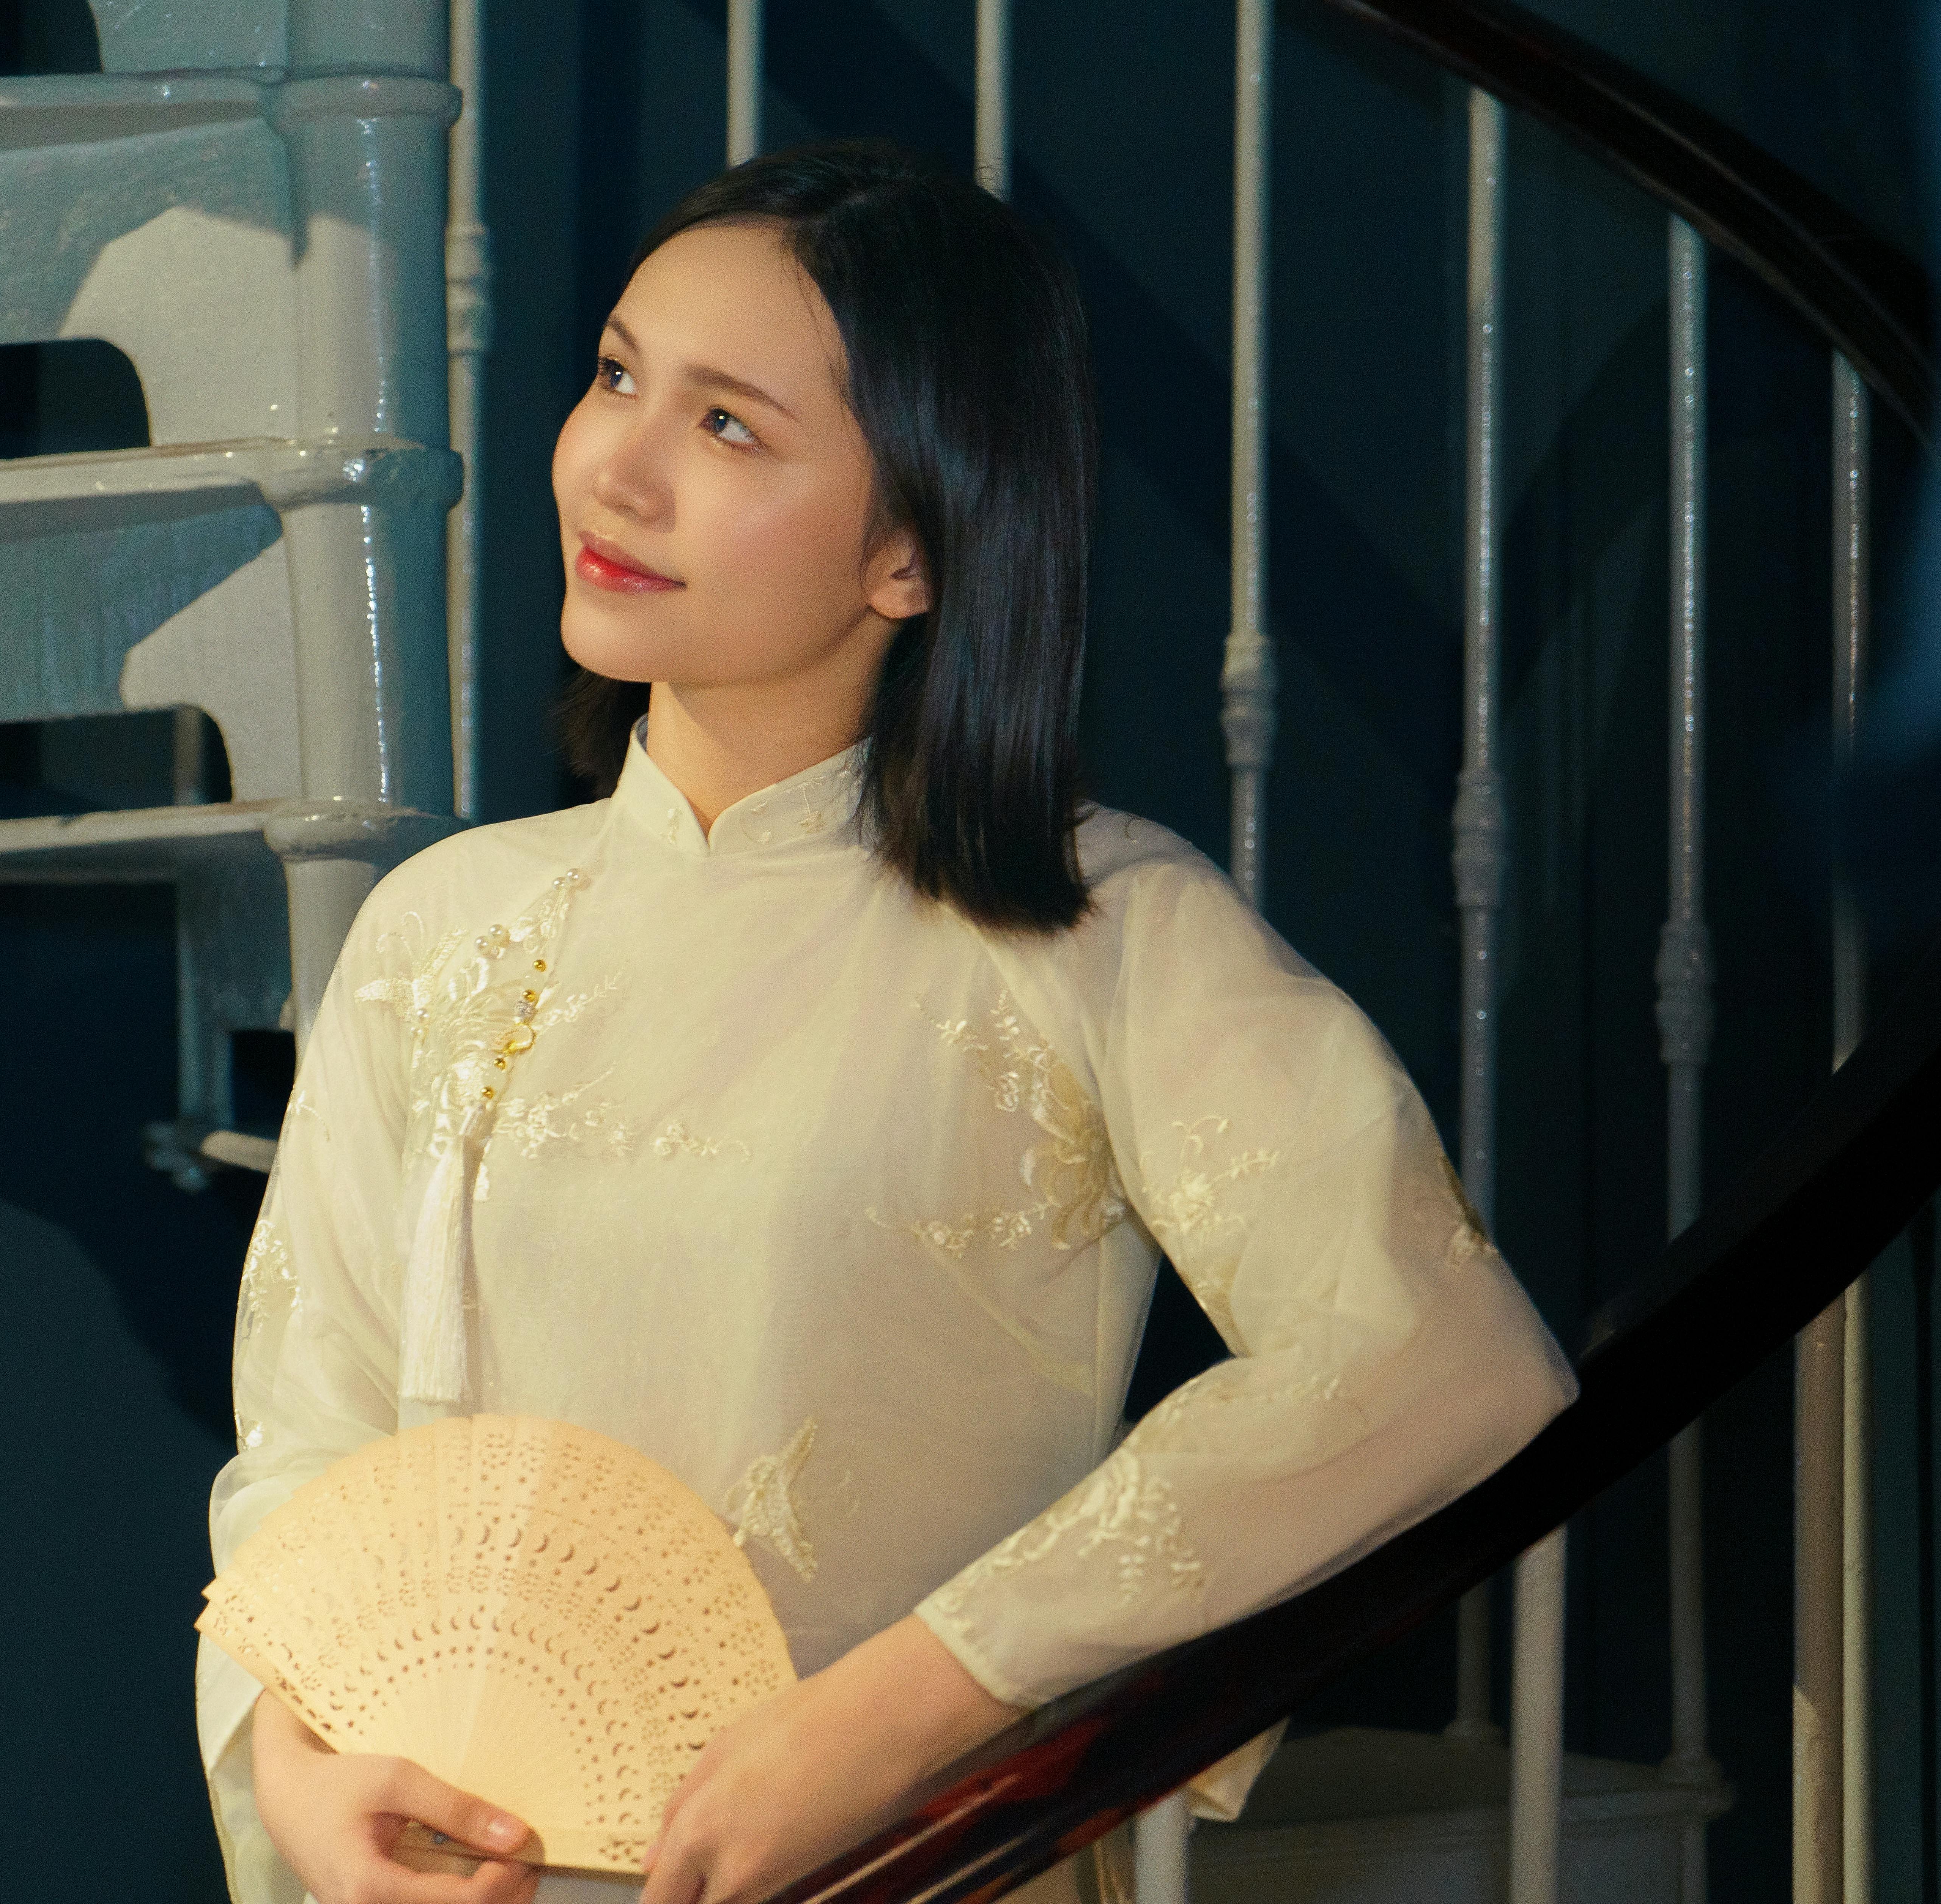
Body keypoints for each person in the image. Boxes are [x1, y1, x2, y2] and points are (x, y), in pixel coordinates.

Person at [197, 140, 1574, 1904]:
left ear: (914, 547)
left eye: (726, 425)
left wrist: (905, 1708)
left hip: (897, 1861)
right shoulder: (439, 925)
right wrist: (296, 1764)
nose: (615, 466)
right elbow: (307, 1445)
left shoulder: (1098, 929)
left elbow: (1440, 1357)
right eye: (617, 375)